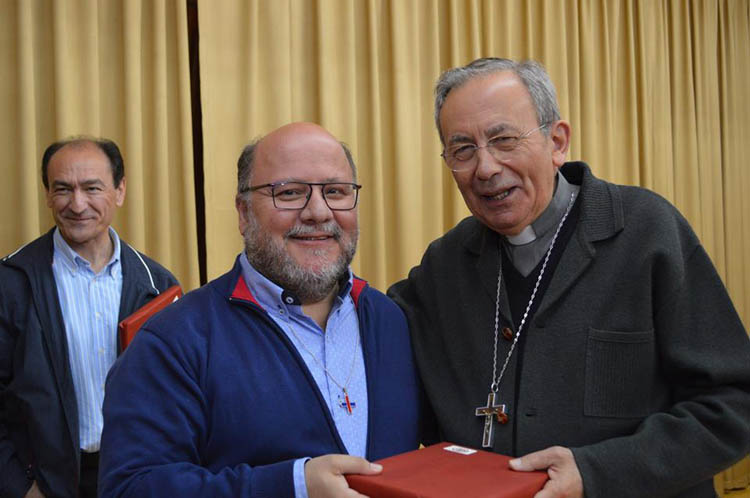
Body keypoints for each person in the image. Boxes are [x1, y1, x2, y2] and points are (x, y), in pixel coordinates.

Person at [388, 57, 750, 497]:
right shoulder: (444, 265)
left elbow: (734, 404)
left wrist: (599, 471)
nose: (484, 168)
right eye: (462, 150)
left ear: (557, 141)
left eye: (504, 139)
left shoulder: (647, 231)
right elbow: (370, 341)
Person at [98, 122, 421, 498]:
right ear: (243, 212)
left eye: (335, 191)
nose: (318, 211)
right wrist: (291, 486)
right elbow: (130, 488)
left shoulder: (388, 319)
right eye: (289, 192)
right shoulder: (174, 340)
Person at [0, 137, 179, 498]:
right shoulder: (11, 282)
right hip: (45, 483)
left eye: (92, 188)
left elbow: (178, 395)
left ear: (119, 190)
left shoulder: (158, 285)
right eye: (62, 189)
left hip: (135, 477)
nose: (77, 204)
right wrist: (19, 486)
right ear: (48, 195)